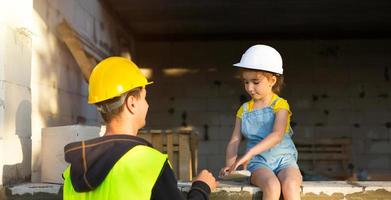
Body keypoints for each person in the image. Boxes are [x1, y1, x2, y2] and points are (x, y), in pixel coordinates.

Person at [62, 57, 218, 200]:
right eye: (144, 97)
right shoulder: (150, 164)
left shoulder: (73, 173)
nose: (148, 104)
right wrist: (201, 188)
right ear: (132, 103)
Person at [220, 45, 302, 200]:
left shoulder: (280, 105)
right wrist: (231, 165)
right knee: (272, 186)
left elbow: (277, 135)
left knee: (290, 185)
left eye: (255, 82)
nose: (250, 87)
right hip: (258, 163)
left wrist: (248, 153)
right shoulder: (244, 110)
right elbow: (234, 141)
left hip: (285, 160)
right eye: (246, 82)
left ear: (272, 80)